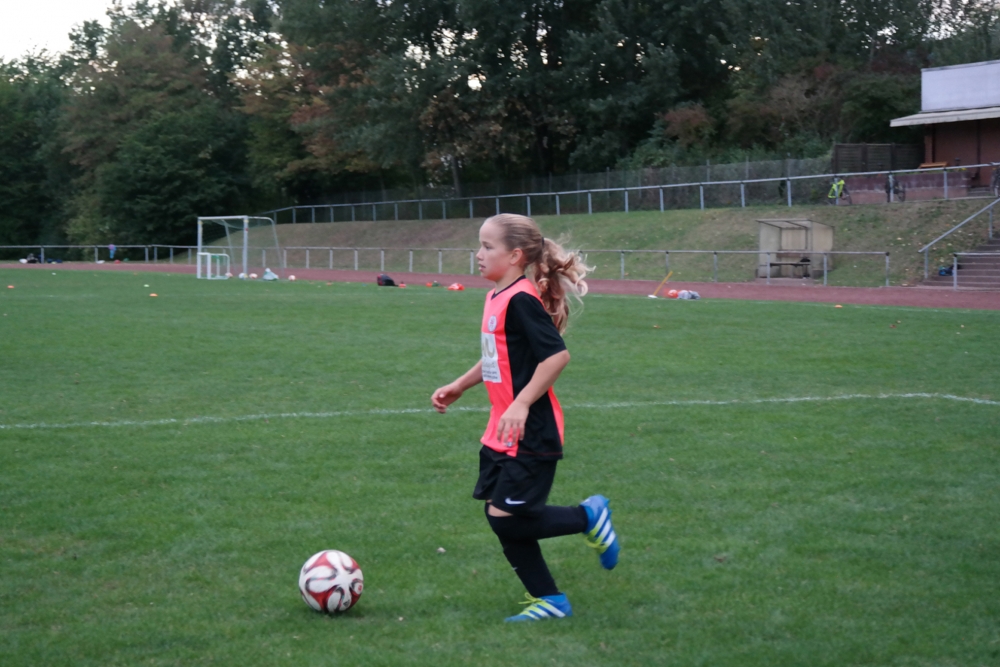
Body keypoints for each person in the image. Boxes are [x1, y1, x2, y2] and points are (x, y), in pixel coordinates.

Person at [430, 213, 620, 623]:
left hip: (530, 430)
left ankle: (589, 516)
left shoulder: (521, 299)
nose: (478, 254)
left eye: (487, 247)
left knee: (507, 518)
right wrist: (461, 385)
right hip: (502, 428)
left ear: (515, 256)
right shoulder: (496, 296)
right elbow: (497, 357)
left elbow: (556, 356)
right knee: (499, 516)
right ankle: (550, 601)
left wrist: (521, 403)